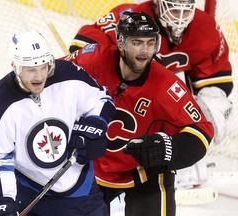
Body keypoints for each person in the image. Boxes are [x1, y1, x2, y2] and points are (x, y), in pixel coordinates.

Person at [69, 0, 233, 189]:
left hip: (163, 96)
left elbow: (216, 79)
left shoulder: (205, 27)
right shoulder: (131, 16)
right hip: (126, 93)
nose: (179, 19)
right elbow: (85, 49)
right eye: (173, 10)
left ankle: (185, 167)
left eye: (185, 11)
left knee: (212, 107)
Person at [0, 30, 116, 216]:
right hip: (29, 194)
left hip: (81, 192)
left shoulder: (68, 75)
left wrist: (95, 124)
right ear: (15, 66)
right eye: (31, 69)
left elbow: (102, 100)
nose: (39, 76)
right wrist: (4, 199)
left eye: (44, 67)